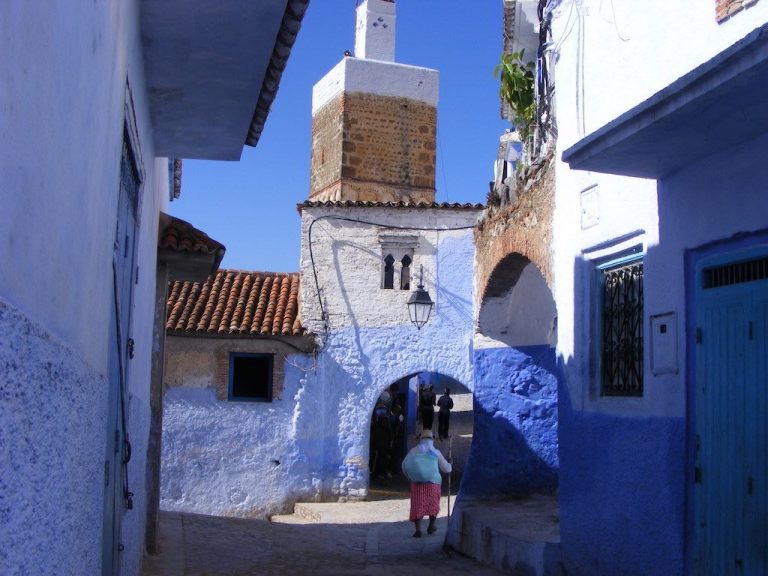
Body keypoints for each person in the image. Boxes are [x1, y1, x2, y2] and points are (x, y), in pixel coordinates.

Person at [401, 429, 452, 538]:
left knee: (417, 506)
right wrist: (450, 464)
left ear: (420, 439)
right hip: (433, 483)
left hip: (417, 484)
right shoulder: (435, 452)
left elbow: (404, 465)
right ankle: (431, 526)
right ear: (432, 439)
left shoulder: (413, 451)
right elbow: (446, 469)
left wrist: (410, 477)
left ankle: (418, 529)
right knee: (432, 505)